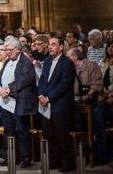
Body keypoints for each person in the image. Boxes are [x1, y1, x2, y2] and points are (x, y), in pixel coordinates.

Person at [0, 37, 37, 168]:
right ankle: (10, 156)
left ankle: (25, 158)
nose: (7, 52)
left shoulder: (26, 62)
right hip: (5, 101)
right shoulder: (7, 61)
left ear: (18, 50)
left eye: (9, 50)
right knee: (8, 130)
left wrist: (9, 89)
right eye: (6, 49)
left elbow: (25, 79)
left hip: (19, 101)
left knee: (22, 130)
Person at [37, 36, 76, 172]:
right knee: (49, 134)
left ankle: (67, 162)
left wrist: (49, 98)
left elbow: (64, 85)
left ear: (61, 47)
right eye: (49, 44)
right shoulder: (47, 61)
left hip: (60, 104)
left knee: (61, 135)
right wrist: (41, 95)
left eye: (53, 44)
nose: (50, 47)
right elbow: (42, 80)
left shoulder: (67, 63)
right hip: (46, 104)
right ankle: (54, 160)